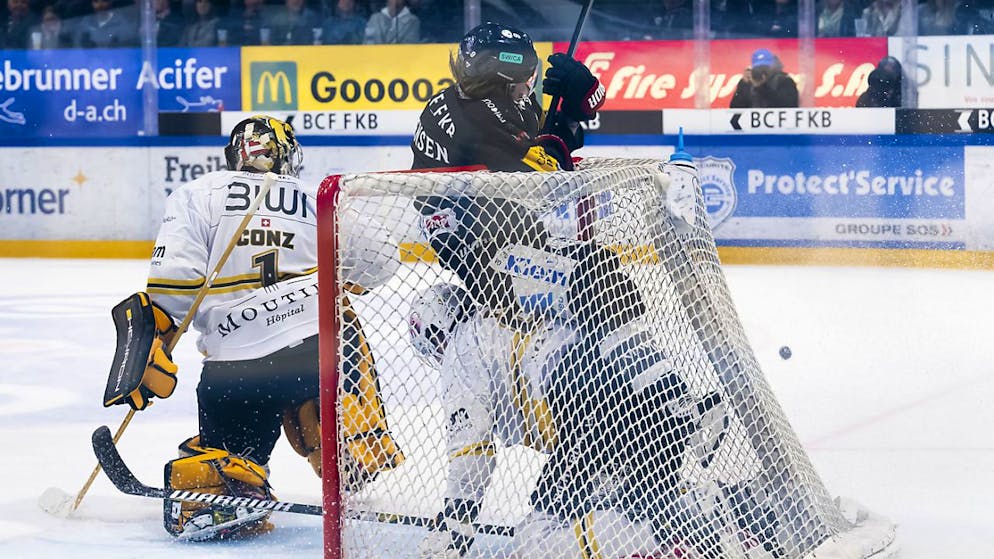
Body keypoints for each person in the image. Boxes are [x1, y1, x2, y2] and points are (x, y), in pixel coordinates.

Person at [108, 115, 405, 540]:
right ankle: (346, 438)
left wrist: (155, 342)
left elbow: (174, 282)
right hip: (315, 352)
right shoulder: (317, 195)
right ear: (287, 156)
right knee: (338, 316)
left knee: (228, 461)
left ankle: (225, 483)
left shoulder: (197, 192)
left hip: (234, 365)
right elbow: (381, 261)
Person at [730, 48, 799, 108]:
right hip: (753, 121)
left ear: (773, 66)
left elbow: (789, 106)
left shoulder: (785, 81)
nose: (762, 71)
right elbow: (735, 109)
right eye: (759, 68)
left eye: (765, 67)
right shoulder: (748, 83)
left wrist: (761, 87)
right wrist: (744, 85)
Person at [72, 0, 138, 47]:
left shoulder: (123, 26)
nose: (100, 5)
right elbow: (77, 48)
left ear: (110, 1)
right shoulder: (84, 23)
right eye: (96, 1)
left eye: (104, 1)